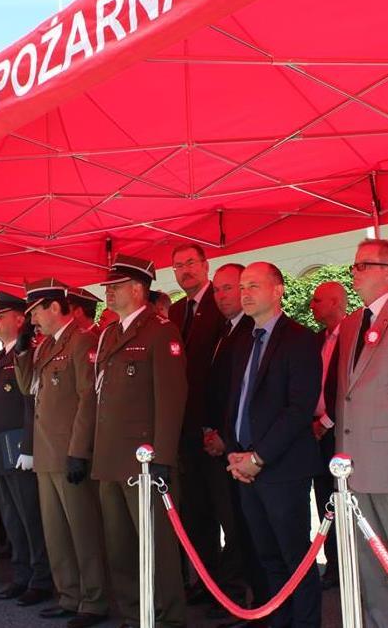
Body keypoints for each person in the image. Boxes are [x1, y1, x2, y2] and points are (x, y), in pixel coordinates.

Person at [226, 262, 322, 628]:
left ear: (278, 289)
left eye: (253, 285)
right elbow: (238, 401)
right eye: (241, 286)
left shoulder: (298, 339)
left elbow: (299, 409)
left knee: (294, 557)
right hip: (246, 468)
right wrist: (236, 451)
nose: (244, 293)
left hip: (282, 469)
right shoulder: (244, 341)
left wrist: (259, 456)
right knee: (267, 558)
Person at [94, 253, 187, 628]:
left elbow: (171, 396)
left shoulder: (160, 330)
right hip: (111, 456)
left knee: (157, 546)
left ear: (137, 289)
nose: (109, 294)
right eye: (108, 288)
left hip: (144, 459)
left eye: (115, 288)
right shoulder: (111, 333)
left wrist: (163, 455)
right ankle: (135, 614)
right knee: (120, 546)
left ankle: (168, 617)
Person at [14, 278, 108, 628]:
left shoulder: (82, 341)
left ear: (55, 307)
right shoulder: (44, 346)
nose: (32, 320)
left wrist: (79, 450)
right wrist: (23, 350)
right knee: (56, 532)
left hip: (68, 450)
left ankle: (94, 600)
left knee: (82, 530)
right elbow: (27, 388)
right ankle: (69, 595)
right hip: (45, 452)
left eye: (36, 311)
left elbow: (88, 398)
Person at [0, 291, 53, 606]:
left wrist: (28, 444)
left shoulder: (27, 352)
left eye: (1, 316)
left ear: (19, 319)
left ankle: (40, 578)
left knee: (29, 516)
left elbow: (30, 401)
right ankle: (21, 575)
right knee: (11, 517)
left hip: (18, 447)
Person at [168, 242, 226, 603]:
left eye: (190, 263)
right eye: (178, 266)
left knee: (227, 514)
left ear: (206, 266)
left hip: (216, 430)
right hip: (185, 429)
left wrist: (215, 426)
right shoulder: (175, 312)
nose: (185, 270)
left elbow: (224, 373)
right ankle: (204, 582)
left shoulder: (220, 305)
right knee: (195, 513)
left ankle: (231, 590)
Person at [335, 239, 388, 626]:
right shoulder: (352, 322)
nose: (353, 273)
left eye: (362, 266)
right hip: (352, 463)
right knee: (366, 564)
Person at [202, 264, 255, 617]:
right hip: (218, 441)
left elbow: (243, 394)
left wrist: (224, 437)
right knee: (227, 521)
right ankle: (230, 594)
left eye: (228, 288)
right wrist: (209, 431)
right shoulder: (223, 332)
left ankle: (238, 599)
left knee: (239, 526)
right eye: (217, 290)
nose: (222, 296)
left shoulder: (251, 331)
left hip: (238, 446)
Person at [309, 280, 346, 590]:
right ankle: (333, 565)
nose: (312, 305)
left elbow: (347, 387)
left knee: (345, 501)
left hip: (340, 434)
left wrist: (327, 421)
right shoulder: (316, 339)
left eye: (318, 300)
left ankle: (351, 566)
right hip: (314, 433)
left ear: (335, 302)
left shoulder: (352, 336)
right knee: (324, 502)